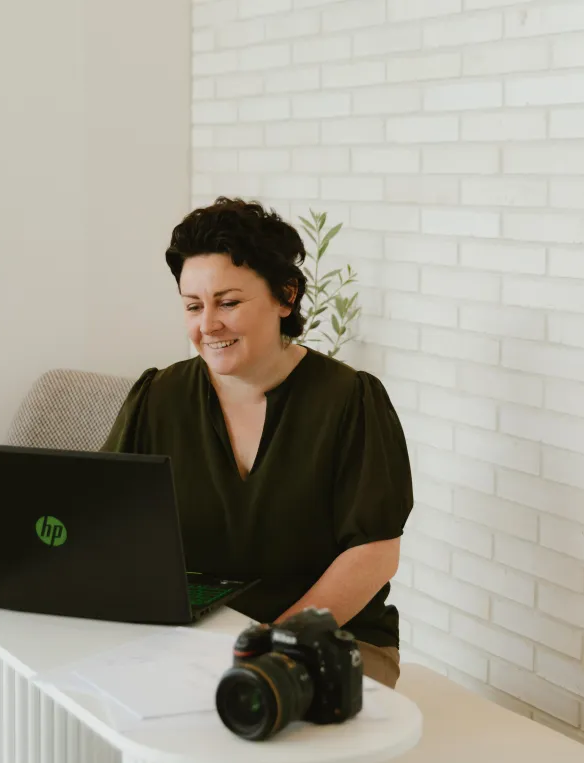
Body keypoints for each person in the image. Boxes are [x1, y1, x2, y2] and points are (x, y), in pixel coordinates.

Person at [101, 196, 413, 689]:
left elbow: (374, 552)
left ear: (285, 296)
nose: (208, 325)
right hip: (193, 638)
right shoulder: (158, 397)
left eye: (228, 302)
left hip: (331, 636)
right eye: (192, 306)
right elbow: (105, 519)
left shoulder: (350, 399)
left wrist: (271, 641)